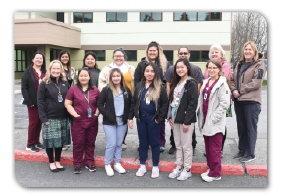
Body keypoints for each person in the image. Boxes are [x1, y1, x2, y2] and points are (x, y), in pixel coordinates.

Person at [129, 62, 168, 178]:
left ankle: (155, 166)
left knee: (155, 143)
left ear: (155, 73)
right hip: (141, 119)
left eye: (152, 71)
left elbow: (164, 104)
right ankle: (142, 165)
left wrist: (159, 119)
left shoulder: (160, 87)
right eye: (147, 71)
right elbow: (134, 103)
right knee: (143, 143)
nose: (149, 73)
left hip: (153, 120)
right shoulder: (139, 86)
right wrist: (131, 117)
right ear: (144, 73)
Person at [163, 47, 204, 155]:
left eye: (185, 53)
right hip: (175, 102)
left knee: (188, 126)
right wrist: (169, 98)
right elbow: (168, 84)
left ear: (189, 55)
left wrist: (194, 99)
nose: (183, 54)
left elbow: (199, 84)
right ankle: (174, 145)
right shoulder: (172, 69)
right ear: (177, 55)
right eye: (181, 53)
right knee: (175, 125)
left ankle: (192, 145)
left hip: (188, 103)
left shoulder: (196, 69)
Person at [230, 41, 266, 163]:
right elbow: (232, 79)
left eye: (250, 49)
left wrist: (240, 90)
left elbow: (257, 82)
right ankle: (242, 150)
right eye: (246, 49)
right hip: (239, 101)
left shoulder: (259, 65)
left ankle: (250, 153)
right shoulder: (239, 64)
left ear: (255, 51)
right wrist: (234, 89)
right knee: (241, 127)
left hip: (251, 102)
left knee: (250, 128)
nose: (247, 51)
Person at [197, 59, 230, 182]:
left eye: (214, 68)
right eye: (209, 68)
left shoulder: (222, 84)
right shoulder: (206, 82)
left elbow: (224, 104)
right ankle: (211, 169)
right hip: (205, 119)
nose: (211, 70)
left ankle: (216, 173)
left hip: (215, 121)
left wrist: (214, 117)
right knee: (208, 147)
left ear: (219, 69)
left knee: (215, 148)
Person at [134, 41, 170, 152]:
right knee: (145, 120)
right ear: (147, 52)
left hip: (159, 93)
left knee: (159, 119)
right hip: (144, 93)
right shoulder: (142, 64)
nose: (152, 52)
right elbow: (136, 79)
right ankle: (145, 143)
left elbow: (168, 80)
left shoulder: (165, 64)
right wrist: (138, 92)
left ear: (158, 51)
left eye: (155, 50)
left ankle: (160, 143)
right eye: (150, 50)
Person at [167, 58, 198, 181]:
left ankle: (187, 169)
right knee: (178, 144)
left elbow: (193, 104)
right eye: (177, 67)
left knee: (186, 145)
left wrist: (187, 121)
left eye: (182, 67)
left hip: (186, 119)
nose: (180, 69)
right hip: (175, 117)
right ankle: (179, 166)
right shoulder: (177, 82)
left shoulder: (191, 83)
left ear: (187, 68)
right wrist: (170, 116)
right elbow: (172, 101)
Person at [98, 47, 135, 150]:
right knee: (112, 119)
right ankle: (112, 141)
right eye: (116, 56)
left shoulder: (130, 68)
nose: (118, 58)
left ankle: (121, 140)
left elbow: (134, 82)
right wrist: (107, 94)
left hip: (126, 98)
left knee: (124, 119)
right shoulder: (107, 68)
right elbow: (101, 82)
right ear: (113, 57)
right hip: (112, 99)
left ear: (124, 57)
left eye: (121, 56)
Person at [65, 68, 100, 174]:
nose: (83, 78)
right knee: (78, 143)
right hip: (78, 121)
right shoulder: (73, 89)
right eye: (81, 76)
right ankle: (77, 164)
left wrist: (96, 114)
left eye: (86, 75)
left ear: (89, 77)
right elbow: (67, 103)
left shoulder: (95, 89)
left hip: (92, 121)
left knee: (90, 143)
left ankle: (89, 163)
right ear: (78, 77)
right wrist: (75, 114)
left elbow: (100, 104)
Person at [97, 68, 132, 176]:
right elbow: (99, 103)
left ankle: (116, 163)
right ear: (110, 78)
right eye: (114, 76)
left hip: (122, 120)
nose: (116, 78)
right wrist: (106, 113)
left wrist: (130, 118)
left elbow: (131, 105)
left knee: (118, 144)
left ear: (121, 77)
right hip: (109, 121)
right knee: (111, 144)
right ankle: (107, 164)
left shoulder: (126, 89)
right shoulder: (106, 89)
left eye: (118, 76)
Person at [37, 60, 70, 172]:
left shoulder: (65, 82)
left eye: (58, 68)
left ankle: (58, 162)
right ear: (49, 70)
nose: (56, 71)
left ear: (61, 70)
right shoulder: (44, 83)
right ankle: (51, 162)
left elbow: (69, 100)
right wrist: (43, 117)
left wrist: (70, 116)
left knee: (60, 141)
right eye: (53, 68)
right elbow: (40, 101)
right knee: (50, 142)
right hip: (50, 117)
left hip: (63, 117)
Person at [203, 44, 232, 157]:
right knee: (209, 122)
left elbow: (222, 79)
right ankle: (210, 148)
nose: (214, 54)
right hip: (209, 99)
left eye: (216, 52)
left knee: (220, 124)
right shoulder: (209, 65)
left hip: (221, 99)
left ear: (221, 54)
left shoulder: (225, 65)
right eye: (212, 52)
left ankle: (219, 149)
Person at [21, 51, 46, 152]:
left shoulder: (45, 72)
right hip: (32, 102)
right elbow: (24, 87)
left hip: (43, 102)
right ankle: (29, 144)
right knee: (33, 123)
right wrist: (28, 100)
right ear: (33, 59)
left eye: (41, 58)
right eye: (37, 58)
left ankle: (36, 141)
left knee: (40, 122)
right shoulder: (28, 71)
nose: (39, 60)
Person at [58, 50, 75, 151]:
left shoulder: (72, 69)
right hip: (61, 96)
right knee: (61, 120)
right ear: (60, 58)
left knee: (69, 120)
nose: (65, 58)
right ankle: (62, 142)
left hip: (71, 97)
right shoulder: (57, 68)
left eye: (66, 57)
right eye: (63, 56)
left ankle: (67, 142)